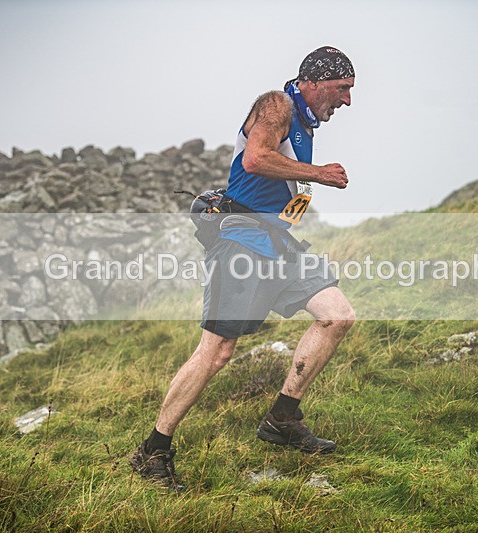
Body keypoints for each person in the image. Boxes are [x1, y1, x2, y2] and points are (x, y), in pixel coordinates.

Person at [130, 46, 357, 490]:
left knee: (337, 315)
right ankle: (153, 449)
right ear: (313, 81)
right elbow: (255, 159)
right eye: (342, 88)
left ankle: (282, 418)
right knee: (216, 353)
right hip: (241, 242)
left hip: (278, 243)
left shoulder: (304, 122)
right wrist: (319, 173)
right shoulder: (278, 104)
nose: (347, 100)